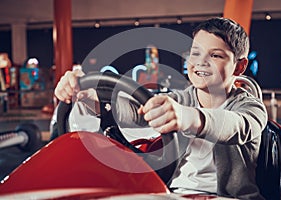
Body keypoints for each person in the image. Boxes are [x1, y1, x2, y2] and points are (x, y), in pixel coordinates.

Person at [54, 17, 268, 199]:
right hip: (174, 192)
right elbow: (136, 112)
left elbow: (235, 126)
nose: (201, 62)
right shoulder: (179, 99)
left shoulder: (250, 107)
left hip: (227, 197)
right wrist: (88, 97)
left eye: (215, 55)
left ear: (239, 66)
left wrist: (189, 118)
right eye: (195, 53)